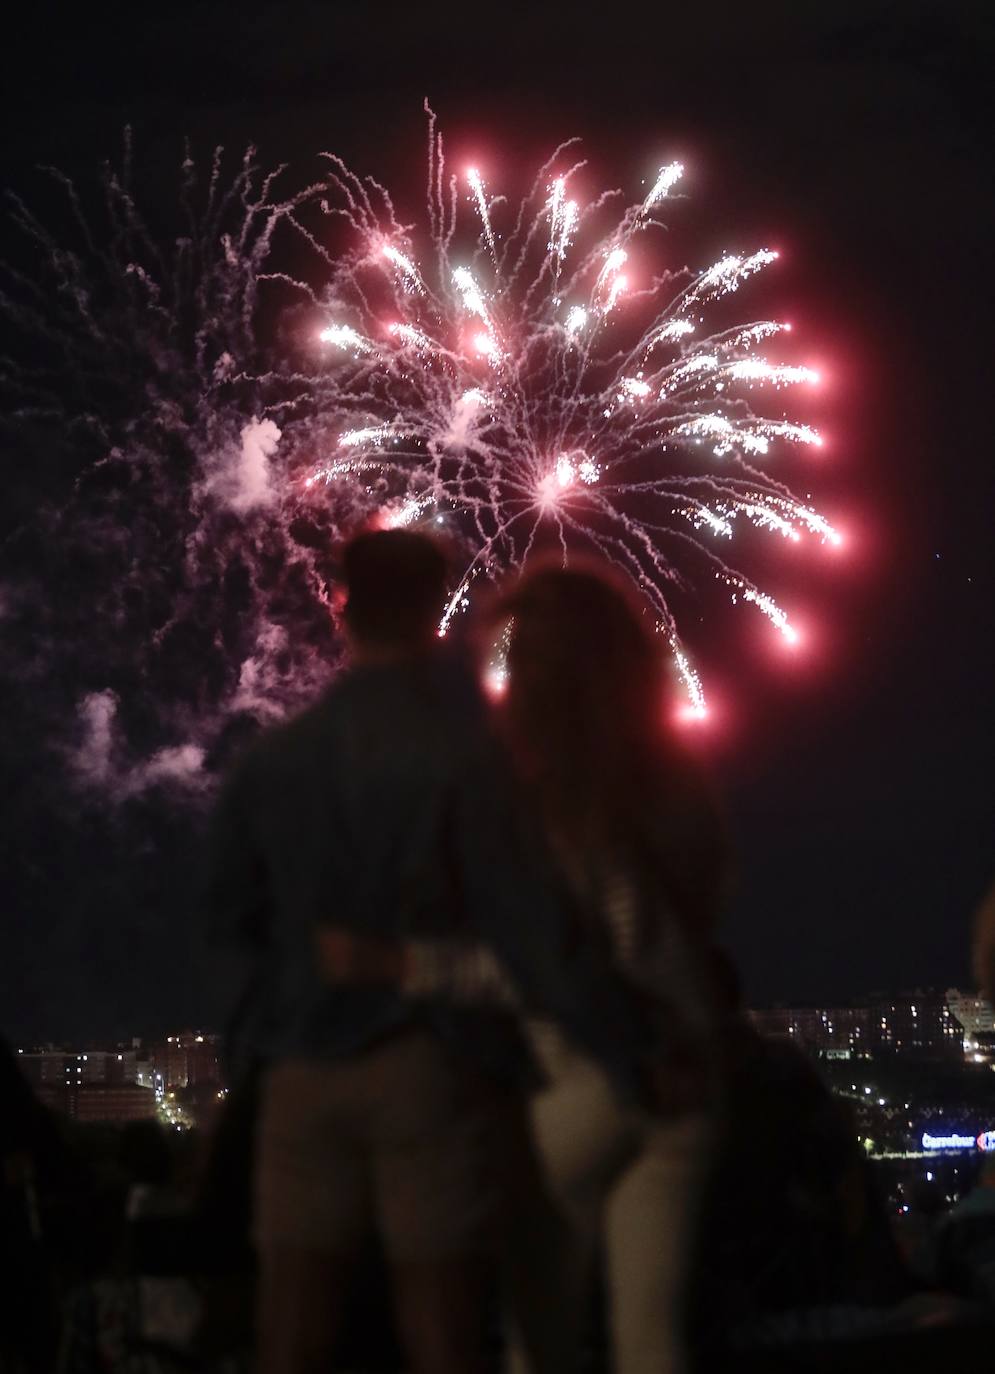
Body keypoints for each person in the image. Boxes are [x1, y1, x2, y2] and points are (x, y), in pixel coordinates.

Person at [205, 531, 649, 1374]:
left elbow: (228, 924)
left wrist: (256, 1046)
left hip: (299, 1065)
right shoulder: (470, 757)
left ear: (340, 605)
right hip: (429, 1062)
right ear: (434, 611)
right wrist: (625, 1046)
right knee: (442, 1329)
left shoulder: (274, 761)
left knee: (291, 1326)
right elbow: (530, 929)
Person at [319, 560, 728, 1374]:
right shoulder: (676, 783)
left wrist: (401, 966)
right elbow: (683, 934)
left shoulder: (537, 799)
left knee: (535, 1342)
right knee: (652, 1342)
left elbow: (546, 967)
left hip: (585, 1075)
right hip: (692, 1073)